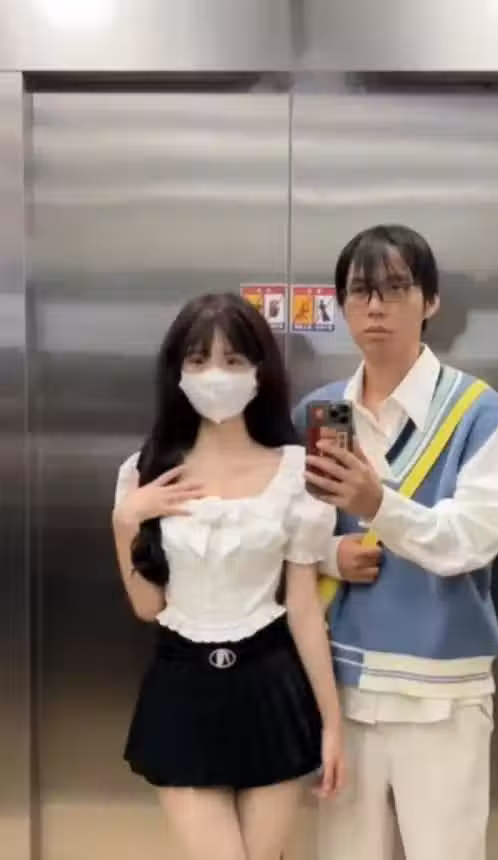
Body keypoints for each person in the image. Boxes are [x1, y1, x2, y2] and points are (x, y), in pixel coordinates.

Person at [293, 224, 498, 860]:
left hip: (439, 695)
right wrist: (330, 556)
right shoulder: (322, 413)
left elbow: (472, 539)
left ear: (431, 301)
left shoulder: (481, 415)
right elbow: (286, 540)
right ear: (341, 304)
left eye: (396, 288)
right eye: (361, 291)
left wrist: (378, 505)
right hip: (340, 691)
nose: (376, 307)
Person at [111, 292, 344, 860]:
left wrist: (333, 724)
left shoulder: (296, 473)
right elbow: (148, 607)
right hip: (181, 686)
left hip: (271, 685)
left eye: (233, 360)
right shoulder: (145, 474)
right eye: (199, 360)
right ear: (178, 372)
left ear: (260, 372)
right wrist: (124, 522)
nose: (216, 374)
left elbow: (303, 608)